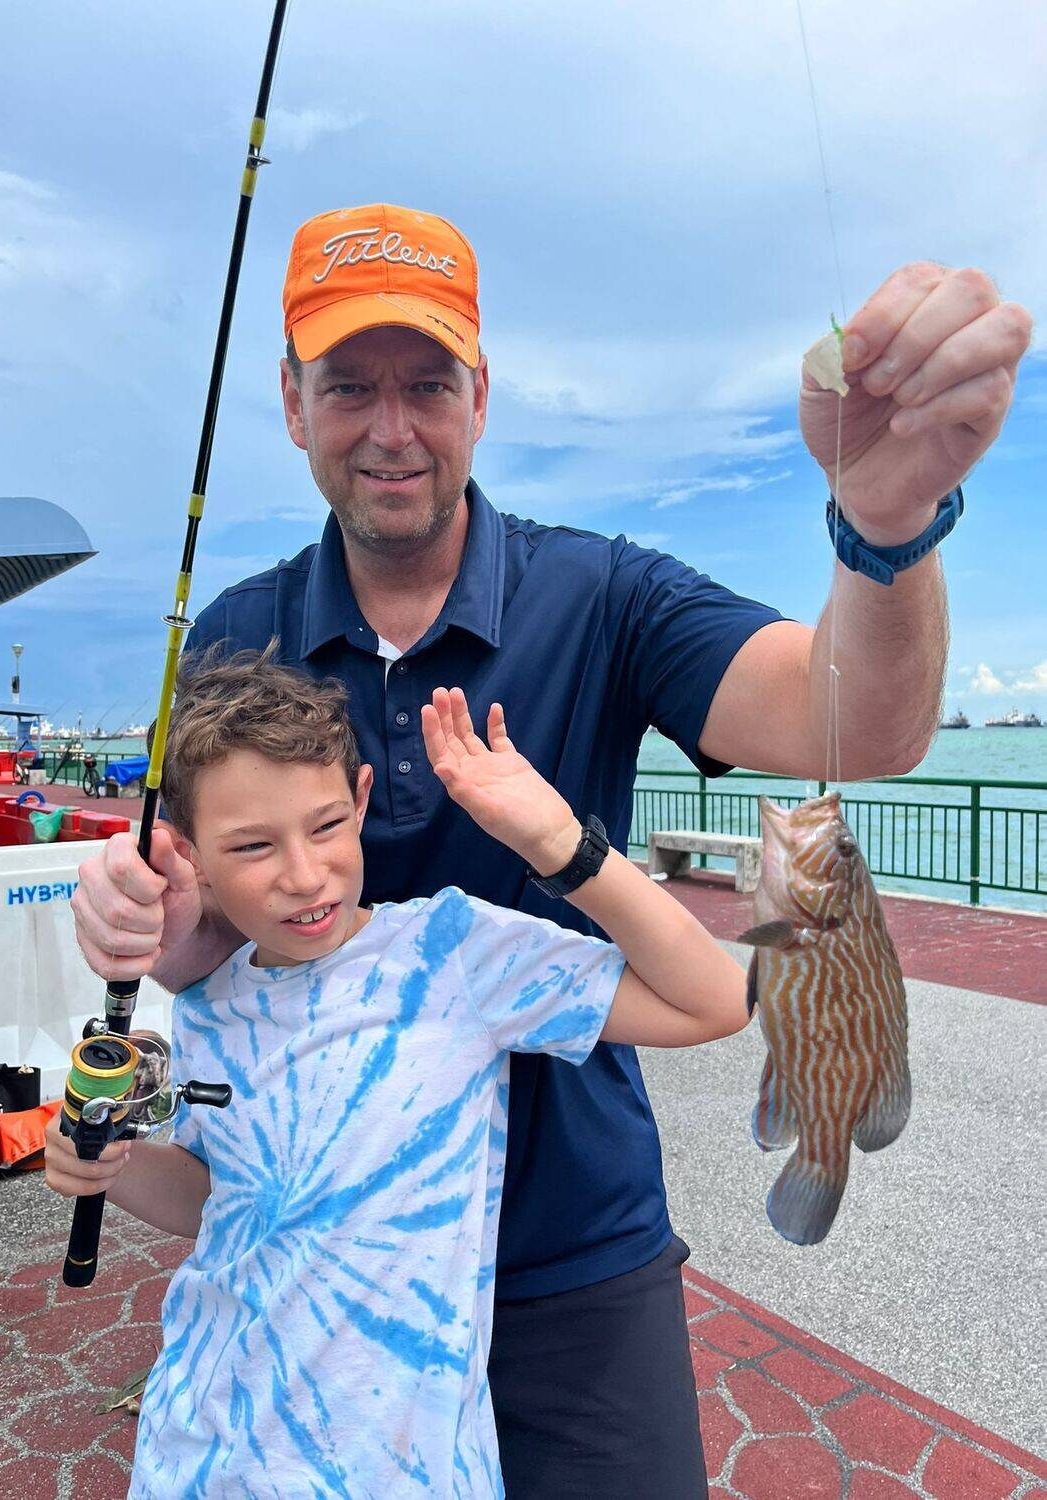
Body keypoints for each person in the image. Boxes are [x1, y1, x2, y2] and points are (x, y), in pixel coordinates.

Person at [71, 203, 1031, 1496]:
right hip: (317, 1249)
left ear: (483, 395)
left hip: (577, 1244)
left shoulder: (607, 593)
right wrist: (143, 920)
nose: (393, 427)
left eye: (429, 384)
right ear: (293, 407)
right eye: (349, 385)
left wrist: (885, 525)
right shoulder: (238, 636)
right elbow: (207, 948)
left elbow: (856, 724)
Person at [48, 648, 750, 1497]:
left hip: (408, 1468)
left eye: (327, 826)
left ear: (363, 801)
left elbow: (714, 1001)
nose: (304, 874)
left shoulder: (452, 952)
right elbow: (224, 1198)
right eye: (252, 845)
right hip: (202, 1446)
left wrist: (558, 843)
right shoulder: (209, 997)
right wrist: (109, 1165)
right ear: (189, 857)